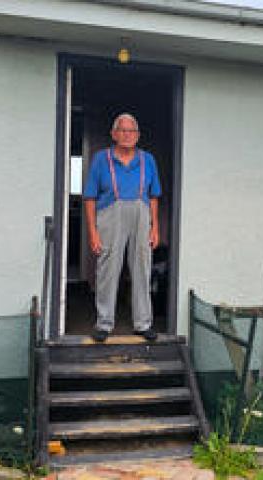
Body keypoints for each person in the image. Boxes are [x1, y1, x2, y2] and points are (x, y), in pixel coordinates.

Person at [83, 113, 161, 342]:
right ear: (114, 134)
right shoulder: (100, 159)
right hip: (110, 215)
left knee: (142, 268)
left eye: (132, 131)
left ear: (138, 135)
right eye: (123, 130)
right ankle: (104, 323)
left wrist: (154, 227)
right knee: (108, 268)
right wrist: (93, 232)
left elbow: (154, 195)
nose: (127, 135)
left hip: (141, 215)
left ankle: (143, 323)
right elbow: (89, 197)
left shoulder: (148, 160)